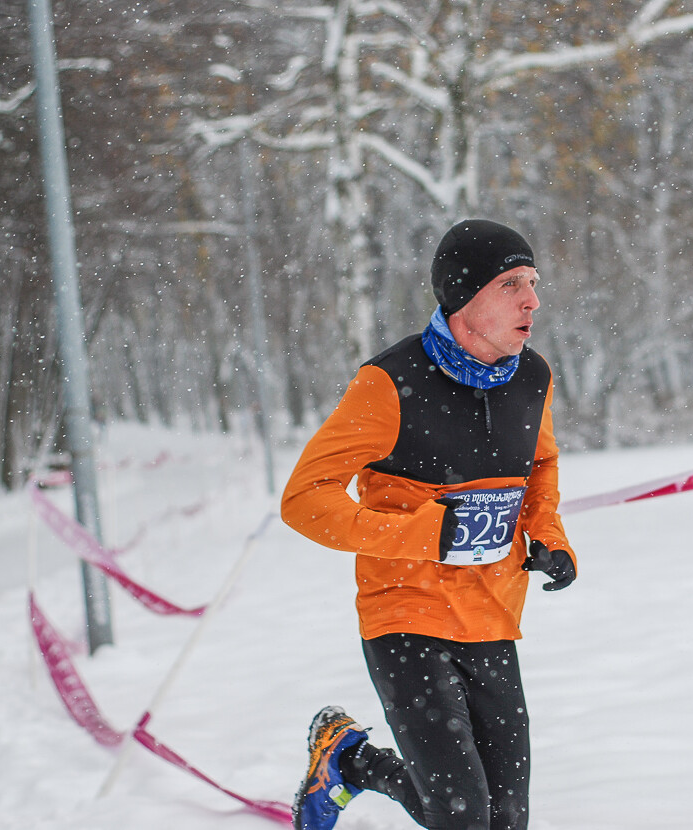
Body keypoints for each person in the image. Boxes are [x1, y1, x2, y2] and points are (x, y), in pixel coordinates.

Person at [280, 218, 578, 830]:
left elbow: (540, 463)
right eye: (512, 284)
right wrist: (421, 533)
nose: (532, 299)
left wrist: (548, 534)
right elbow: (305, 497)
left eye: (533, 282)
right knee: (462, 816)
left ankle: (350, 758)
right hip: (405, 610)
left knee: (505, 820)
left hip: (491, 611)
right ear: (465, 299)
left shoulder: (532, 378)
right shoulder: (390, 383)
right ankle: (354, 762)